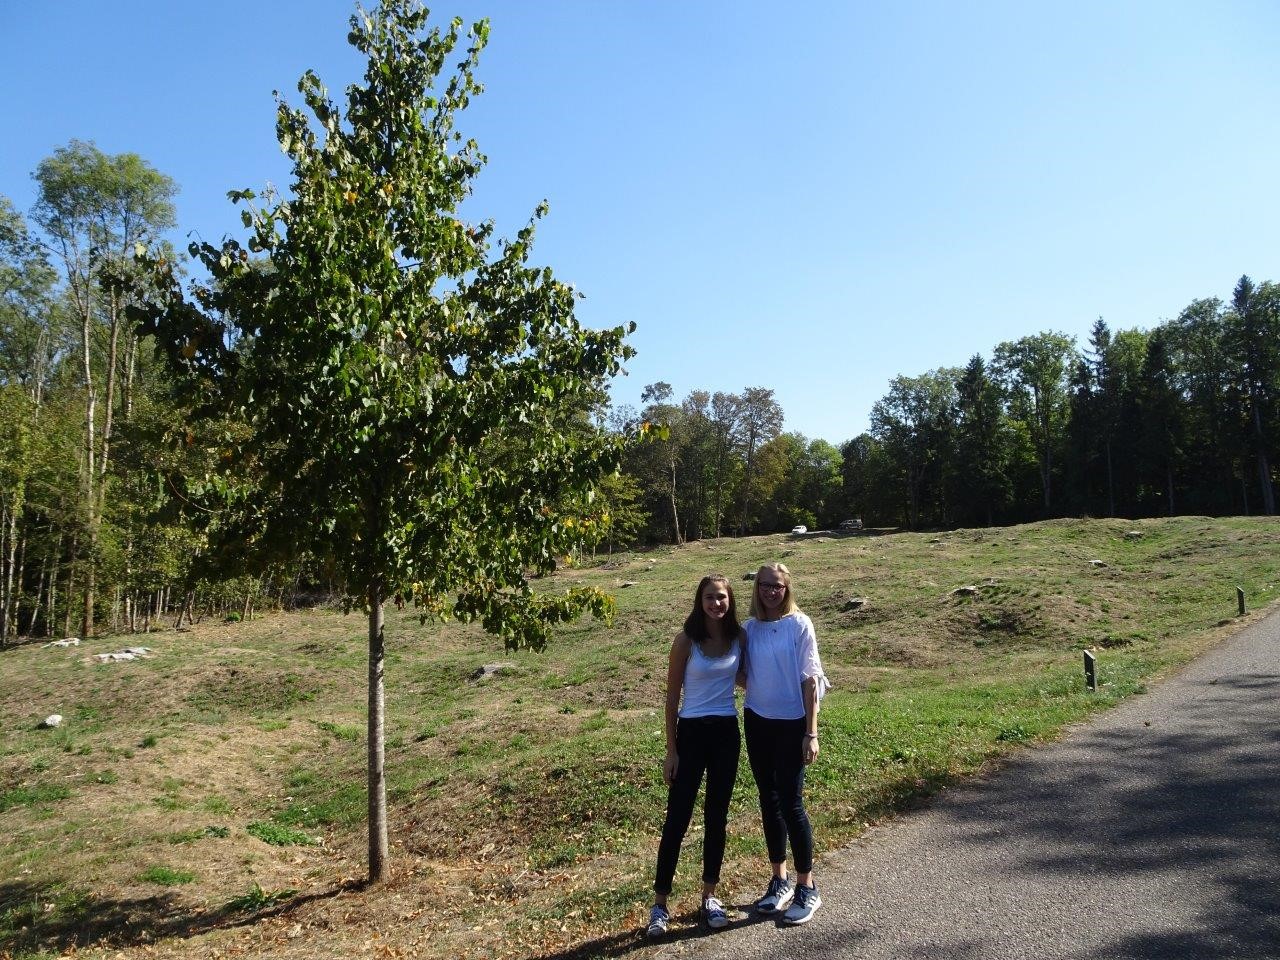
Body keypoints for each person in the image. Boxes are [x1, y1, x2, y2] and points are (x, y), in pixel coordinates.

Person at [647, 574, 744, 938]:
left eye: (721, 597)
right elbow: (672, 700)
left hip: (725, 734)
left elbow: (748, 678)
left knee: (717, 817)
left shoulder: (738, 638)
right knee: (678, 819)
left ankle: (710, 896)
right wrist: (671, 751)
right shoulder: (685, 641)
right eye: (709, 597)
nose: (716, 603)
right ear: (699, 600)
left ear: (730, 600)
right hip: (690, 734)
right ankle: (659, 904)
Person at [742, 561, 830, 926]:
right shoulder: (748, 629)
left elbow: (810, 680)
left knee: (792, 803)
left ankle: (807, 886)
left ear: (786, 588)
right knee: (768, 799)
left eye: (777, 586)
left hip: (793, 724)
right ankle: (779, 881)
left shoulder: (799, 624)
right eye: (765, 585)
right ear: (757, 588)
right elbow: (740, 672)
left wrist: (811, 733)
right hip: (757, 720)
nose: (770, 591)